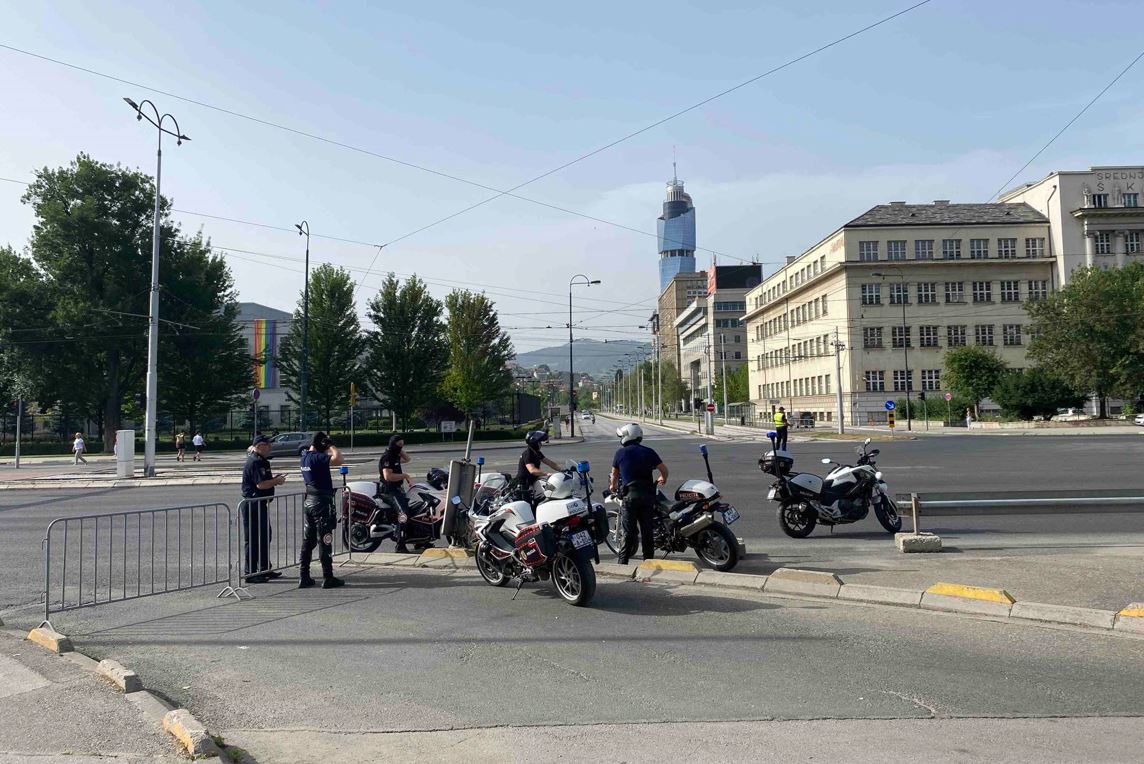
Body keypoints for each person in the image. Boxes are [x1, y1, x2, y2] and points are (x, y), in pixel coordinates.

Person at [609, 423, 668, 565]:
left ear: (626, 436)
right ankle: (648, 561)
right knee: (647, 531)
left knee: (628, 532)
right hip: (648, 497)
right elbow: (664, 470)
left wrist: (613, 486)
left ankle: (623, 563)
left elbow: (614, 475)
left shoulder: (620, 453)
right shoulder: (649, 451)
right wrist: (663, 479)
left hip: (630, 498)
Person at [298, 431, 345, 589]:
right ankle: (328, 577)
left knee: (308, 540)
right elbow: (338, 459)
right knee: (325, 540)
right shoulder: (318, 457)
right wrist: (331, 446)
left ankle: (304, 575)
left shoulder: (304, 457)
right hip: (321, 503)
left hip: (309, 501)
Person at [241, 435, 286, 584]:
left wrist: (274, 480)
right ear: (260, 446)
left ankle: (264, 568)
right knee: (253, 539)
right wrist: (277, 481)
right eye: (268, 445)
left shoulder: (262, 461)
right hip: (253, 504)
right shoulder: (255, 462)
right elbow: (260, 484)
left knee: (264, 536)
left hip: (260, 504)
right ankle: (251, 573)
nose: (270, 447)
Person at [379, 434, 414, 553]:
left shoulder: (395, 455)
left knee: (413, 509)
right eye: (399, 445)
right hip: (389, 490)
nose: (401, 448)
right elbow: (388, 476)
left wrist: (400, 449)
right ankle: (400, 545)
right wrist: (405, 476)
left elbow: (408, 459)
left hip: (397, 489)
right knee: (403, 513)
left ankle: (419, 540)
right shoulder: (388, 457)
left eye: (403, 445)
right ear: (393, 445)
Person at [516, 430, 560, 503]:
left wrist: (562, 470)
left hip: (533, 481)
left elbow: (549, 462)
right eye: (539, 442)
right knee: (528, 505)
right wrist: (547, 474)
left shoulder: (537, 453)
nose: (541, 444)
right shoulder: (528, 454)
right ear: (534, 443)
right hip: (524, 484)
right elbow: (532, 470)